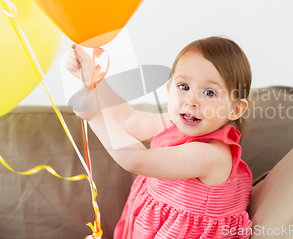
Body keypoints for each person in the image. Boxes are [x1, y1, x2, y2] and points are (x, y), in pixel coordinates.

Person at [66, 36, 254, 239]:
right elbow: (128, 119)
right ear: (169, 89)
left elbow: (137, 160)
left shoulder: (211, 155)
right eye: (184, 87)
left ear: (235, 109)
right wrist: (95, 80)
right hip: (151, 224)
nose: (191, 101)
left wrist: (95, 117)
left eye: (209, 92)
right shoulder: (174, 124)